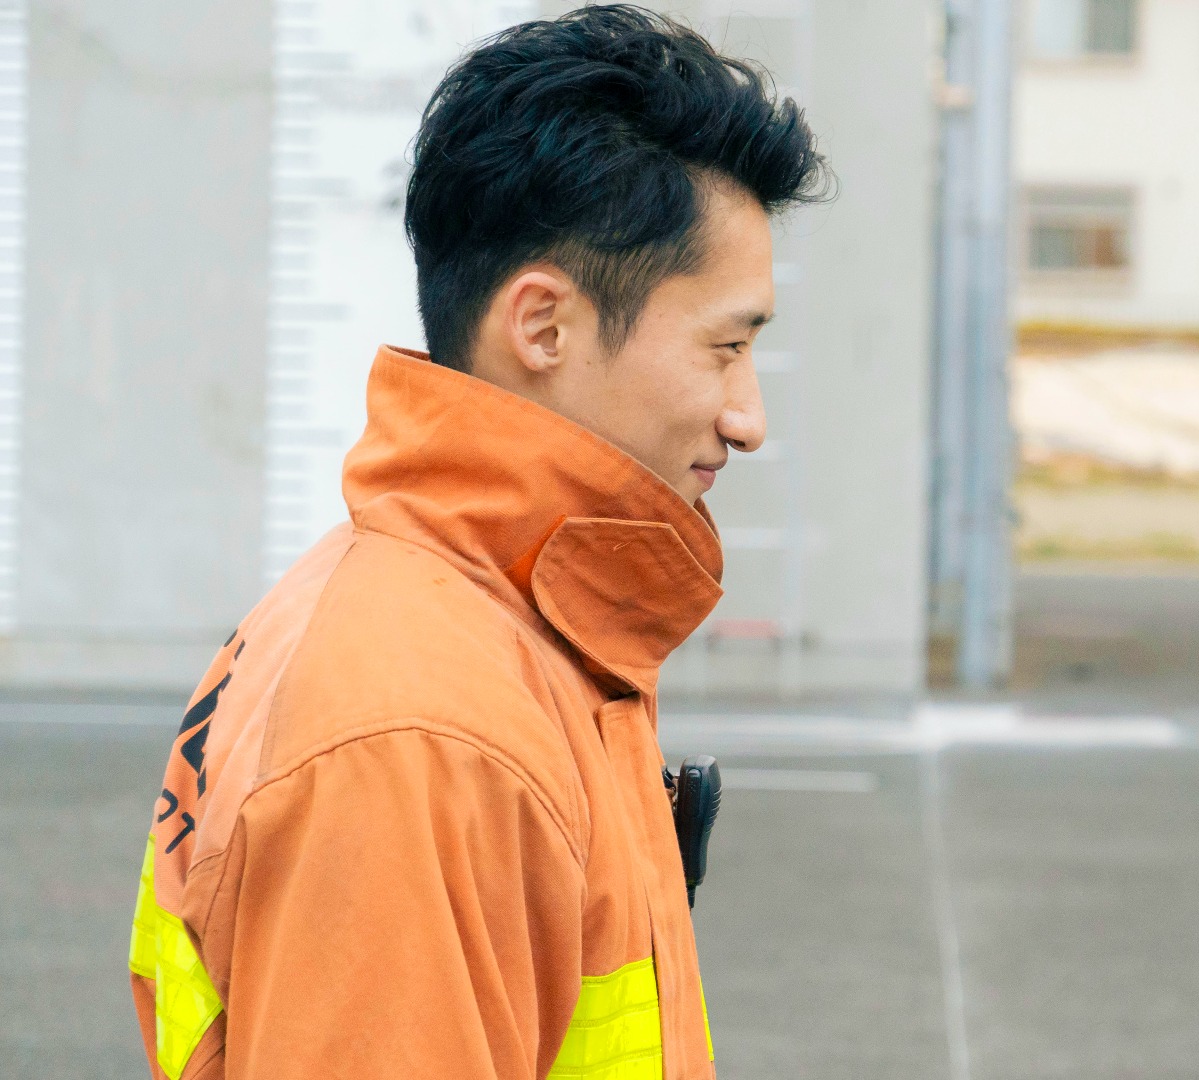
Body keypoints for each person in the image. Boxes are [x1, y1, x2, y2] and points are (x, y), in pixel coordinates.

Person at [127, 8, 826, 1079]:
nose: (749, 417)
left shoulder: (498, 625)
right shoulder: (422, 734)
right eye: (724, 347)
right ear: (541, 326)